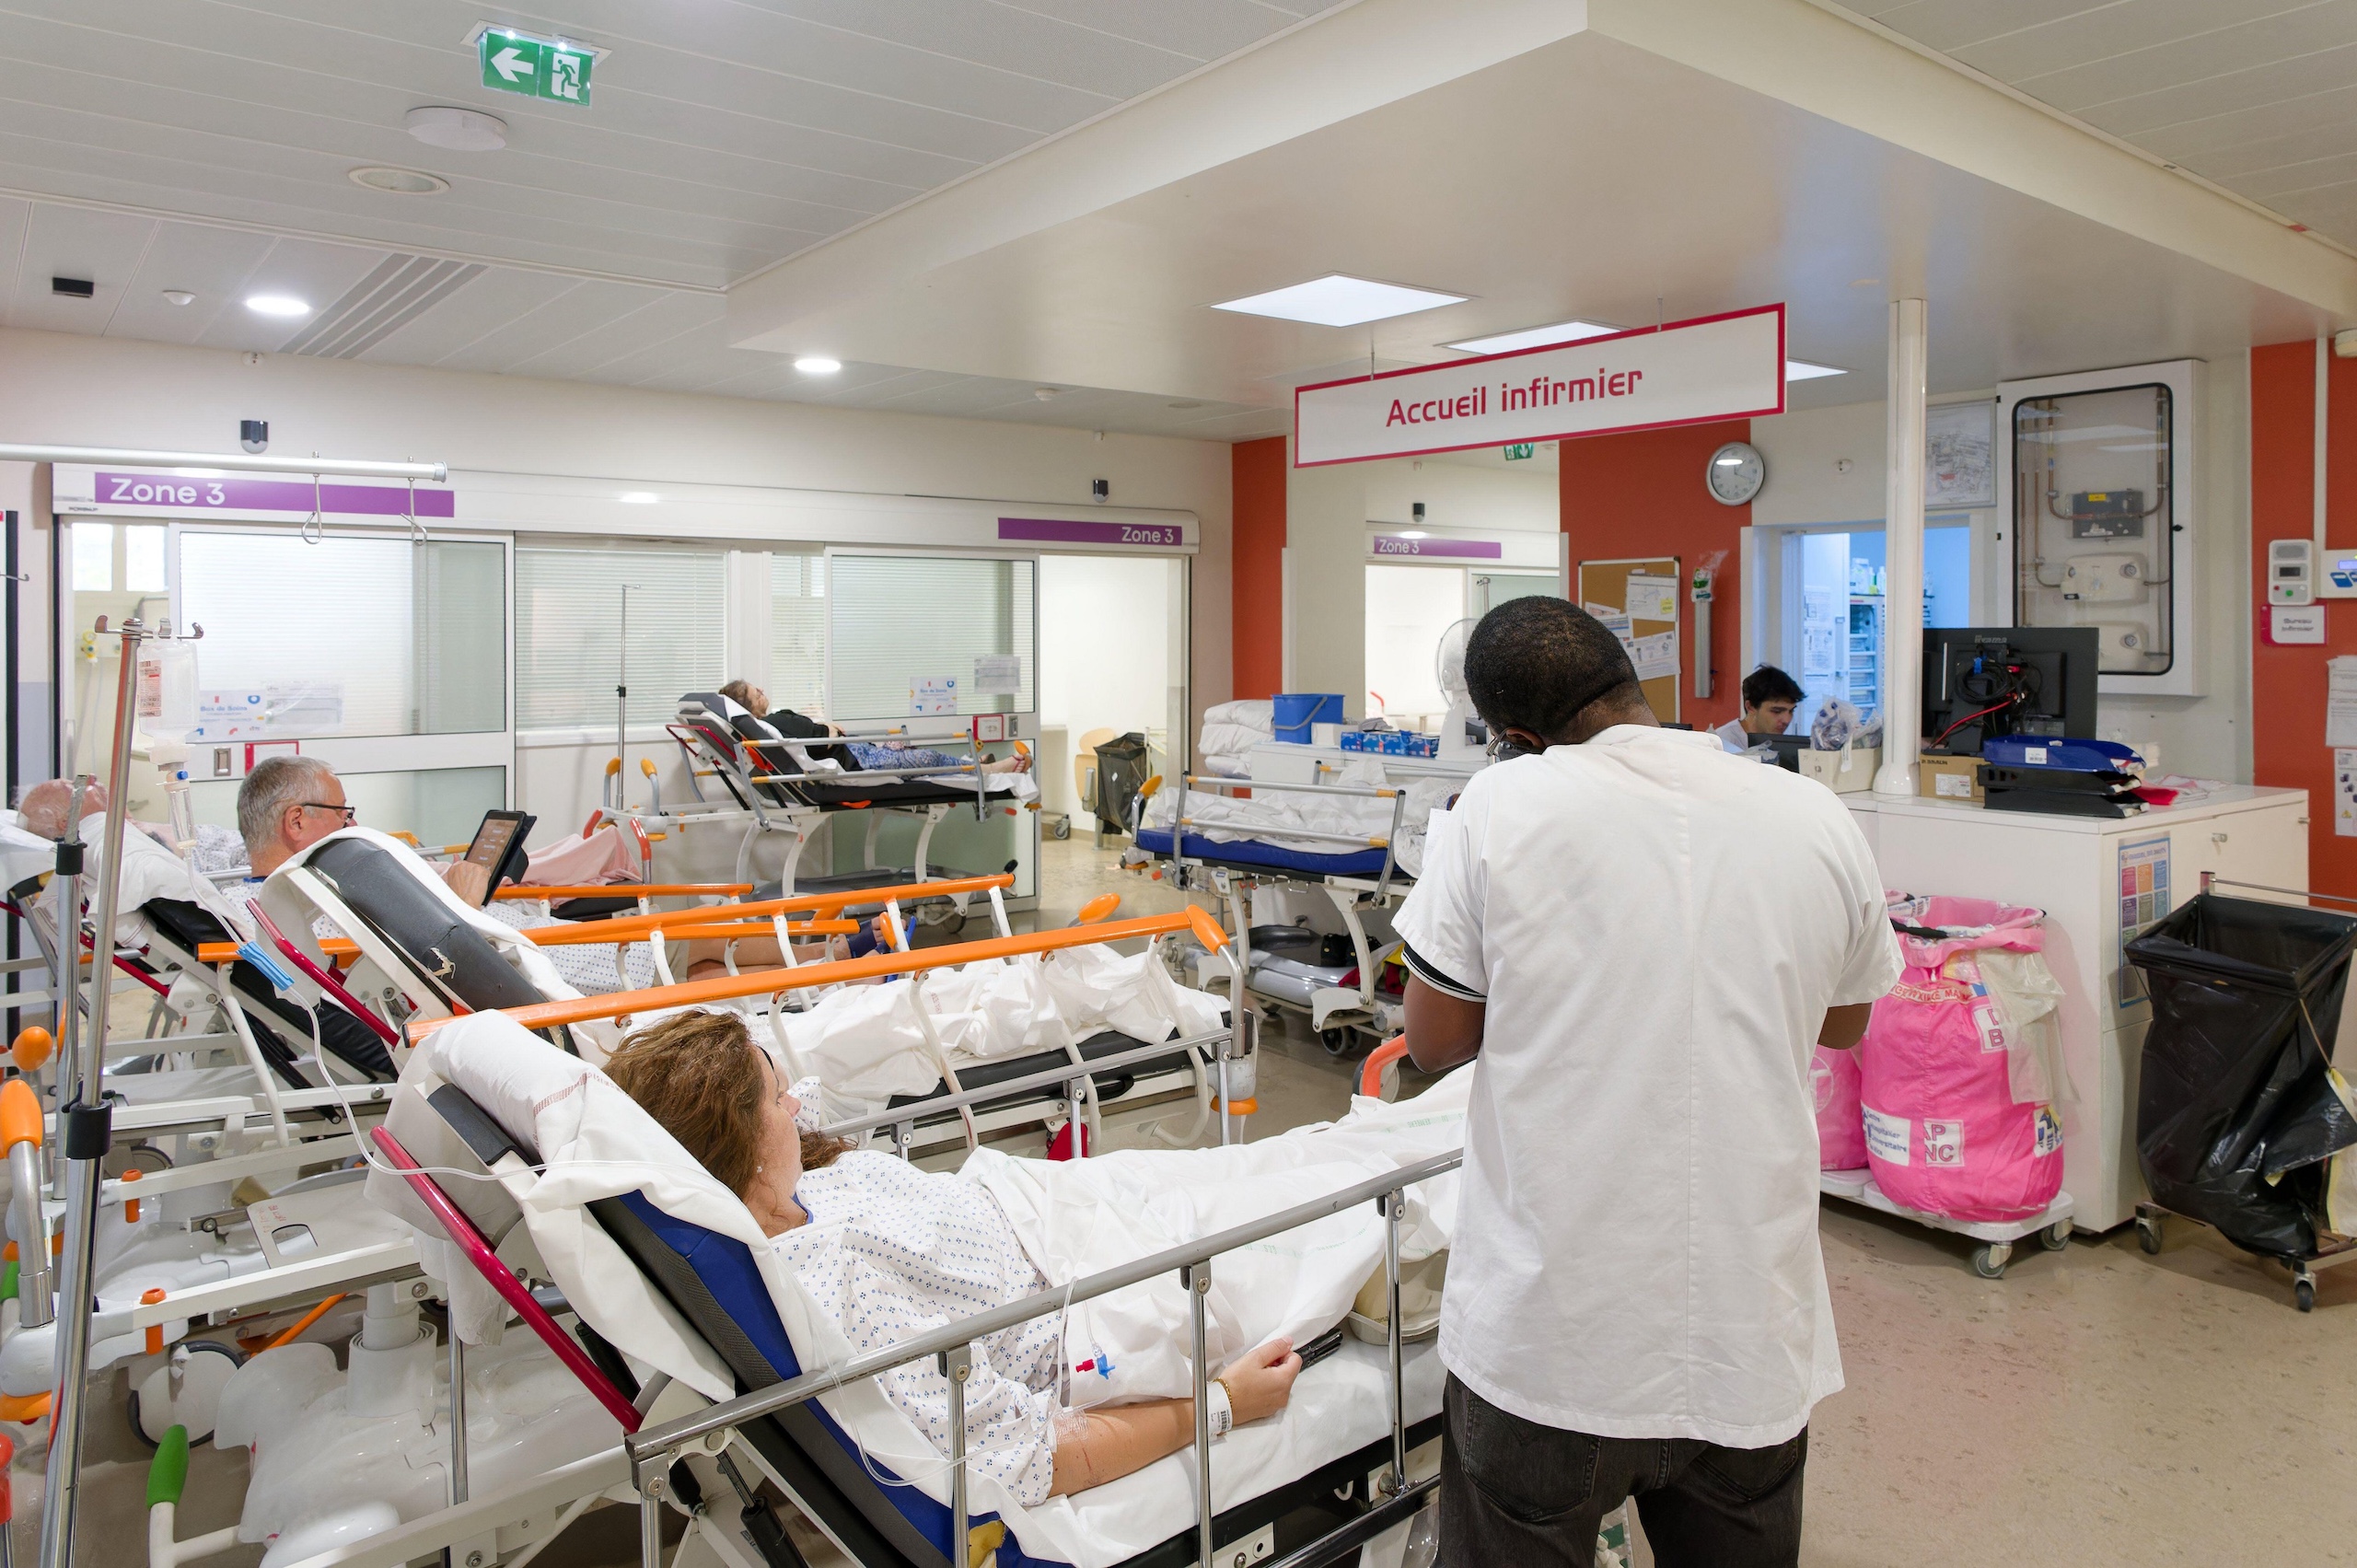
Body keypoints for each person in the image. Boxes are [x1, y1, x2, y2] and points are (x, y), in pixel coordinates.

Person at [1395, 598, 1899, 1567]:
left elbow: (1436, 1039)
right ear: (1632, 681)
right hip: (1748, 1328)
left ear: (1516, 737)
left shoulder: (1496, 809)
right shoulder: (1810, 810)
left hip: (1554, 1336)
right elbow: (1844, 1020)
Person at [603, 1009, 1307, 1502]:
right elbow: (1035, 1455)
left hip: (1049, 1202)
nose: (799, 1102)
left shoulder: (784, 1184)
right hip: (1081, 1289)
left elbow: (792, 1117)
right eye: (777, 1097)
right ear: (741, 1149)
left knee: (1283, 1155)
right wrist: (1219, 1405)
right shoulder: (837, 1284)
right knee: (1318, 1195)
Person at [718, 680, 1032, 777]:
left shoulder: (771, 722)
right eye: (753, 692)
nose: (760, 690)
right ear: (746, 704)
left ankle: (971, 764)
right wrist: (827, 728)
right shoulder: (772, 724)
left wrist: (827, 729)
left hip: (855, 750)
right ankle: (991, 771)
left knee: (914, 754)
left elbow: (818, 736)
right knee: (923, 760)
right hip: (856, 760)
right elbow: (819, 743)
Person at [1714, 664, 1805, 752]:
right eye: (1776, 711)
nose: (1787, 720)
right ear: (1750, 707)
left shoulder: (1776, 743)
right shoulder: (1722, 743)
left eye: (1791, 711)